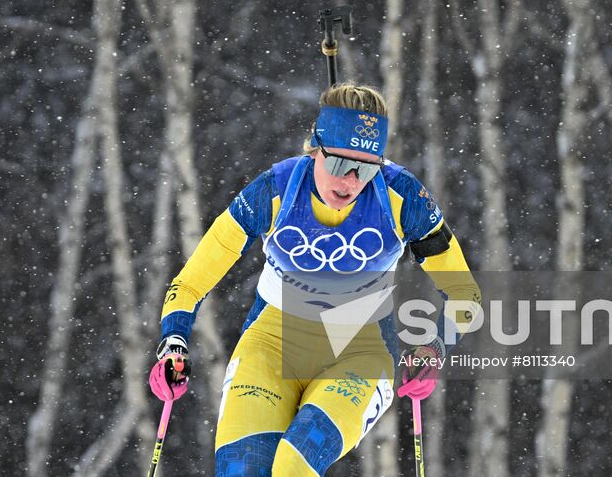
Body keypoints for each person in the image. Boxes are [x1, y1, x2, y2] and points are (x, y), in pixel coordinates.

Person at [149, 82, 481, 476]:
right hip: (272, 344)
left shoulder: (402, 197)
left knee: (293, 466)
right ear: (314, 148)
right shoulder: (275, 190)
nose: (351, 181)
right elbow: (190, 283)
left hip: (360, 353)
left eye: (367, 167)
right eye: (340, 163)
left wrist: (435, 347)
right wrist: (174, 342)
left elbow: (466, 294)